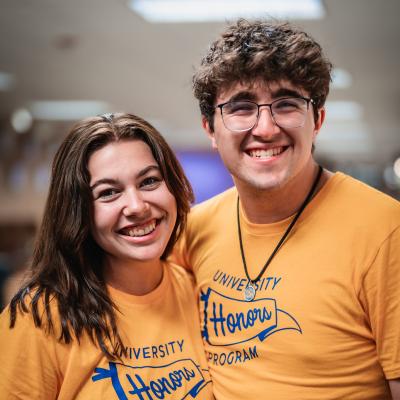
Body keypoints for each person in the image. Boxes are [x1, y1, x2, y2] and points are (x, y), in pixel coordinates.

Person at [171, 19, 400, 399]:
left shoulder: (385, 230)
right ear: (210, 129)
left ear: (318, 121)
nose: (265, 127)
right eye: (241, 107)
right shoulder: (192, 231)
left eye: (286, 104)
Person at [0, 113, 214, 399]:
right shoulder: (40, 318)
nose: (137, 206)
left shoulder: (198, 292)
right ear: (78, 211)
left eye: (149, 181)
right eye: (109, 192)